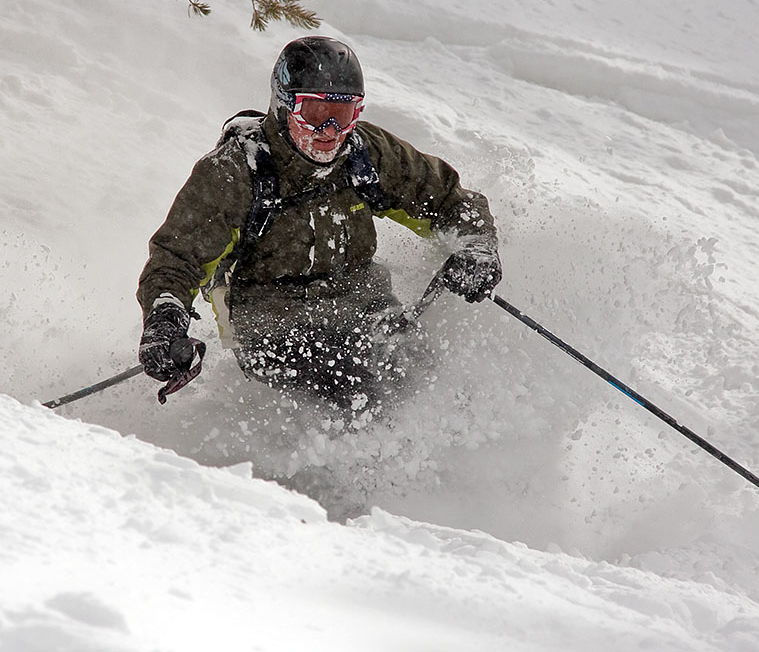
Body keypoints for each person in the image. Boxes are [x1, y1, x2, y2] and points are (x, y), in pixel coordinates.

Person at [137, 36, 501, 413]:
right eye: (314, 114)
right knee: (357, 397)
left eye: (343, 116)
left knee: (428, 384)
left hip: (365, 307)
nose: (329, 131)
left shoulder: (365, 155)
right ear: (284, 106)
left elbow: (448, 200)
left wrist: (475, 247)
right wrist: (165, 320)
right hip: (272, 326)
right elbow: (178, 259)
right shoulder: (234, 173)